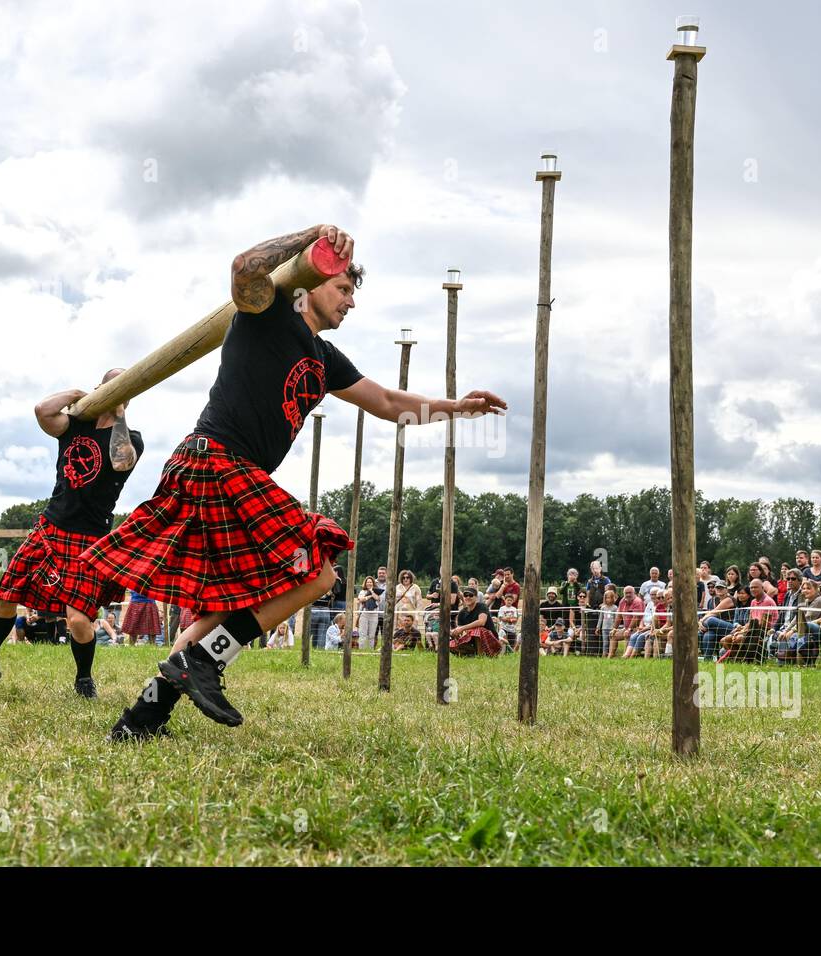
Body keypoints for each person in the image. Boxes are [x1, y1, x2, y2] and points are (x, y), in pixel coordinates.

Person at [82, 224, 505, 739]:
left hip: (226, 469)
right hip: (217, 460)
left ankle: (140, 720)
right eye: (344, 288)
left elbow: (391, 405)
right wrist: (311, 237)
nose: (351, 302)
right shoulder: (267, 312)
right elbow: (244, 266)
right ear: (313, 278)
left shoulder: (325, 360)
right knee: (319, 569)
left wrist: (456, 409)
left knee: (221, 606)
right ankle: (205, 663)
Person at [0, 369, 144, 698]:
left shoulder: (129, 436)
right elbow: (43, 411)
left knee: (78, 619)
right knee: (6, 596)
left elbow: (121, 461)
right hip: (50, 525)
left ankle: (84, 680)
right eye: (108, 385)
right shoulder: (75, 424)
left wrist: (117, 411)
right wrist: (79, 394)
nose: (112, 392)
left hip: (88, 538)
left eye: (121, 388)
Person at [449, 588, 501, 657]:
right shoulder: (462, 613)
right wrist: (454, 632)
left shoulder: (482, 606)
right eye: (465, 595)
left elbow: (481, 622)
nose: (468, 597)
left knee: (477, 631)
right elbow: (460, 631)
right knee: (450, 644)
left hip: (490, 640)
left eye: (470, 595)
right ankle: (471, 655)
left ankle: (480, 656)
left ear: (476, 597)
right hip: (471, 641)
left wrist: (462, 628)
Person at [356, 575, 381, 649]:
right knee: (362, 634)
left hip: (374, 614)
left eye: (370, 582)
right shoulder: (362, 591)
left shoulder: (377, 592)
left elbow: (378, 599)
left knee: (372, 635)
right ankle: (361, 649)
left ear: (373, 583)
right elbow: (361, 600)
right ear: (365, 583)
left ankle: (370, 650)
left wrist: (371, 592)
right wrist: (369, 596)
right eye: (367, 582)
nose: (369, 583)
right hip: (364, 614)